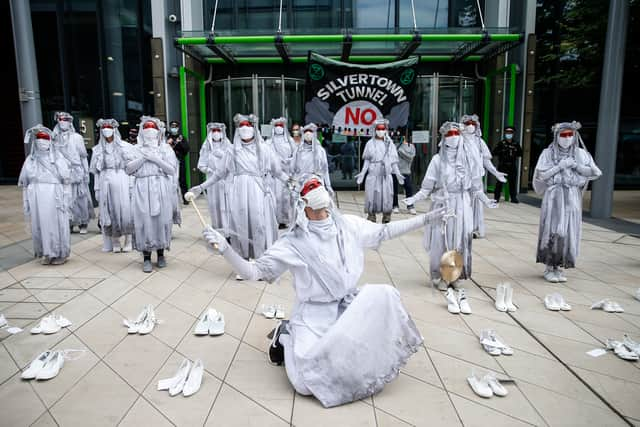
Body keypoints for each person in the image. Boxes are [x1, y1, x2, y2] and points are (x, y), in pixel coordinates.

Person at [202, 177, 446, 408]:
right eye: (316, 210)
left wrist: (427, 219)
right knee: (305, 384)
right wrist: (226, 249)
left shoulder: (348, 225)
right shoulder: (292, 243)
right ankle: (285, 335)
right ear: (303, 209)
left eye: (325, 208)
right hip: (313, 313)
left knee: (384, 297)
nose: (322, 215)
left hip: (348, 305)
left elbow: (385, 232)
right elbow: (252, 272)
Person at [403, 122, 496, 290]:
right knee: (441, 240)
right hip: (443, 204)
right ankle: (439, 275)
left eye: (456, 133)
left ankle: (454, 275)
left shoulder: (469, 160)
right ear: (444, 138)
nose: (453, 137)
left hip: (462, 204)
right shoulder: (437, 160)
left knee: (459, 240)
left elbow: (476, 186)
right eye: (449, 134)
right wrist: (413, 198)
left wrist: (486, 200)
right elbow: (427, 187)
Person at [188, 114, 289, 267]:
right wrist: (201, 187)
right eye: (241, 126)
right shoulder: (232, 151)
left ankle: (260, 260)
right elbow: (218, 174)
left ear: (254, 128)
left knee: (259, 224)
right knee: (240, 225)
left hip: (259, 191)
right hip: (238, 192)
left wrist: (293, 183)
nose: (244, 129)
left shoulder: (264, 149)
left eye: (248, 125)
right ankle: (242, 262)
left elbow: (278, 172)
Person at [533, 121, 601, 283]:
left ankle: (560, 266)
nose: (567, 138)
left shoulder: (581, 154)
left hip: (571, 196)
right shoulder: (547, 153)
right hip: (554, 196)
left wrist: (577, 166)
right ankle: (550, 265)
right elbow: (541, 175)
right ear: (557, 136)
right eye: (563, 135)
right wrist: (559, 167)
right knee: (554, 229)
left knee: (569, 230)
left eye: (570, 135)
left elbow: (595, 172)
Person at [126, 116, 178, 273]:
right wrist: (143, 158)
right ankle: (146, 256)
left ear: (158, 132)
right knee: (144, 220)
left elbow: (171, 169)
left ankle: (161, 253)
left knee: (161, 220)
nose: (150, 132)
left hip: (160, 186)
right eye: (146, 128)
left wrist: (156, 160)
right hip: (142, 187)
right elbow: (128, 169)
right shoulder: (135, 149)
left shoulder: (165, 149)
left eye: (153, 129)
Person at [19, 125, 71, 265]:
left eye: (44, 139)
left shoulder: (57, 158)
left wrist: (66, 198)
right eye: (39, 139)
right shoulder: (30, 160)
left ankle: (58, 252)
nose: (42, 142)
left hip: (53, 194)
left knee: (55, 223)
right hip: (36, 195)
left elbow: (66, 181)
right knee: (39, 224)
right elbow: (24, 183)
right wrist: (26, 201)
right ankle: (46, 252)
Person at [90, 119, 134, 253]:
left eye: (109, 128)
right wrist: (97, 188)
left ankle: (128, 240)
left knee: (125, 210)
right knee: (108, 210)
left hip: (122, 179)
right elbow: (96, 172)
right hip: (105, 180)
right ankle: (114, 240)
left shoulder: (125, 147)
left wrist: (131, 185)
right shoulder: (98, 150)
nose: (106, 131)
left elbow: (131, 168)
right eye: (103, 128)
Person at [461, 114, 506, 238]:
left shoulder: (480, 142)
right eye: (468, 124)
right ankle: (461, 228)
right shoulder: (459, 140)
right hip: (462, 179)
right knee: (462, 204)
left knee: (476, 205)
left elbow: (486, 161)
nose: (470, 126)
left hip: (476, 179)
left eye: (473, 124)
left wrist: (496, 173)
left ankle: (475, 229)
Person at [52, 111, 94, 234]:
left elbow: (83, 157)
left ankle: (83, 223)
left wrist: (86, 172)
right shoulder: (55, 138)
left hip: (76, 171)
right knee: (65, 198)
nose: (62, 122)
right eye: (60, 119)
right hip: (62, 172)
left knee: (80, 197)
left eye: (65, 120)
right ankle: (69, 222)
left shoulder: (77, 138)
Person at [356, 119, 404, 223]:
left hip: (386, 173)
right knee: (371, 194)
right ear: (375, 130)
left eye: (383, 129)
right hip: (373, 172)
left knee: (387, 194)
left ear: (386, 130)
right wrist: (363, 173)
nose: (381, 131)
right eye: (378, 129)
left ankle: (387, 215)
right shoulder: (370, 143)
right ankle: (371, 215)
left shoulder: (390, 144)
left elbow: (393, 161)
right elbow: (367, 160)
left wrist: (398, 173)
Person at [197, 122, 233, 236]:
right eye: (214, 131)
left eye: (218, 131)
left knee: (226, 205)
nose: (216, 133)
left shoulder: (228, 145)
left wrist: (222, 155)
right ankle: (217, 229)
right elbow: (201, 164)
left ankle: (228, 230)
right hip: (212, 182)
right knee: (215, 205)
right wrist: (208, 170)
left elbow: (233, 162)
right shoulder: (206, 147)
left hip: (225, 180)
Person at [266, 117, 296, 228]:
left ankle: (284, 220)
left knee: (286, 198)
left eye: (281, 126)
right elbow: (266, 157)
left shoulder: (290, 141)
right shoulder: (269, 142)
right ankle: (274, 219)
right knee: (276, 198)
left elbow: (295, 155)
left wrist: (289, 161)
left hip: (287, 174)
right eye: (276, 126)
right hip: (274, 176)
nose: (279, 128)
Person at [291, 123, 334, 196]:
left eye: (310, 132)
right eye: (306, 132)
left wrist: (328, 186)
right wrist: (293, 182)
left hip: (316, 182)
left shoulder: (320, 151)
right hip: (301, 183)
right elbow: (292, 168)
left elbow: (325, 169)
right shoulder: (298, 151)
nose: (308, 134)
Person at [493, 126, 523, 203]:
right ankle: (496, 198)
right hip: (503, 165)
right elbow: (494, 152)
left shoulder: (516, 144)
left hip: (512, 165)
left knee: (512, 182)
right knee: (499, 182)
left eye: (510, 133)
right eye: (507, 132)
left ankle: (513, 197)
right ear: (505, 133)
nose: (509, 134)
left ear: (513, 134)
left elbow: (520, 153)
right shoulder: (501, 143)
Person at [167, 120, 190, 205]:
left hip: (180, 161)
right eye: (172, 126)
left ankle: (185, 198)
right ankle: (171, 199)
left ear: (178, 128)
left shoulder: (181, 138)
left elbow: (186, 149)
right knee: (170, 180)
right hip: (169, 162)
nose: (174, 128)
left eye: (175, 126)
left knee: (182, 180)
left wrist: (178, 143)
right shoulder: (167, 137)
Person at [393, 134, 417, 215]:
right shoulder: (394, 145)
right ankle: (395, 205)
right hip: (395, 171)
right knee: (394, 189)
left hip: (406, 171)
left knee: (408, 188)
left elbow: (410, 158)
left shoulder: (411, 147)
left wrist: (400, 151)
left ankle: (410, 206)